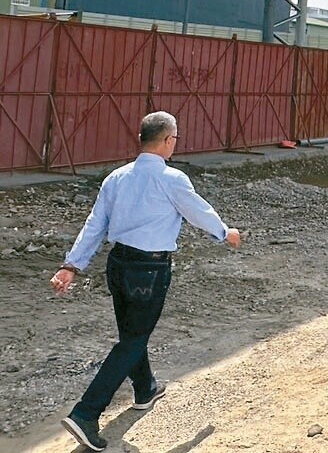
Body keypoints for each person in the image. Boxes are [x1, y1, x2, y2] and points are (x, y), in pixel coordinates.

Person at [50, 111, 241, 452]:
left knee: (131, 333)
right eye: (175, 139)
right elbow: (198, 212)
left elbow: (95, 224)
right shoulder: (172, 179)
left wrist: (72, 265)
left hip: (118, 264)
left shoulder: (116, 178)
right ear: (168, 140)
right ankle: (86, 414)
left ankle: (144, 390)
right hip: (149, 270)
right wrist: (225, 233)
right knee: (134, 340)